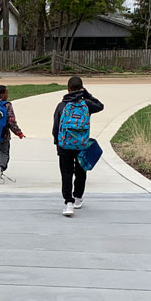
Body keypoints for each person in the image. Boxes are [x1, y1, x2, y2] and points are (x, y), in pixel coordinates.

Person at [51, 76, 104, 217]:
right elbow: (100, 105)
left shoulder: (61, 106)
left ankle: (68, 202)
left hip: (64, 145)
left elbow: (56, 128)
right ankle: (78, 197)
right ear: (81, 88)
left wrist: (58, 145)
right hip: (81, 144)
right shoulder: (86, 104)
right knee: (81, 171)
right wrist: (86, 93)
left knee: (66, 173)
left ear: (68, 89)